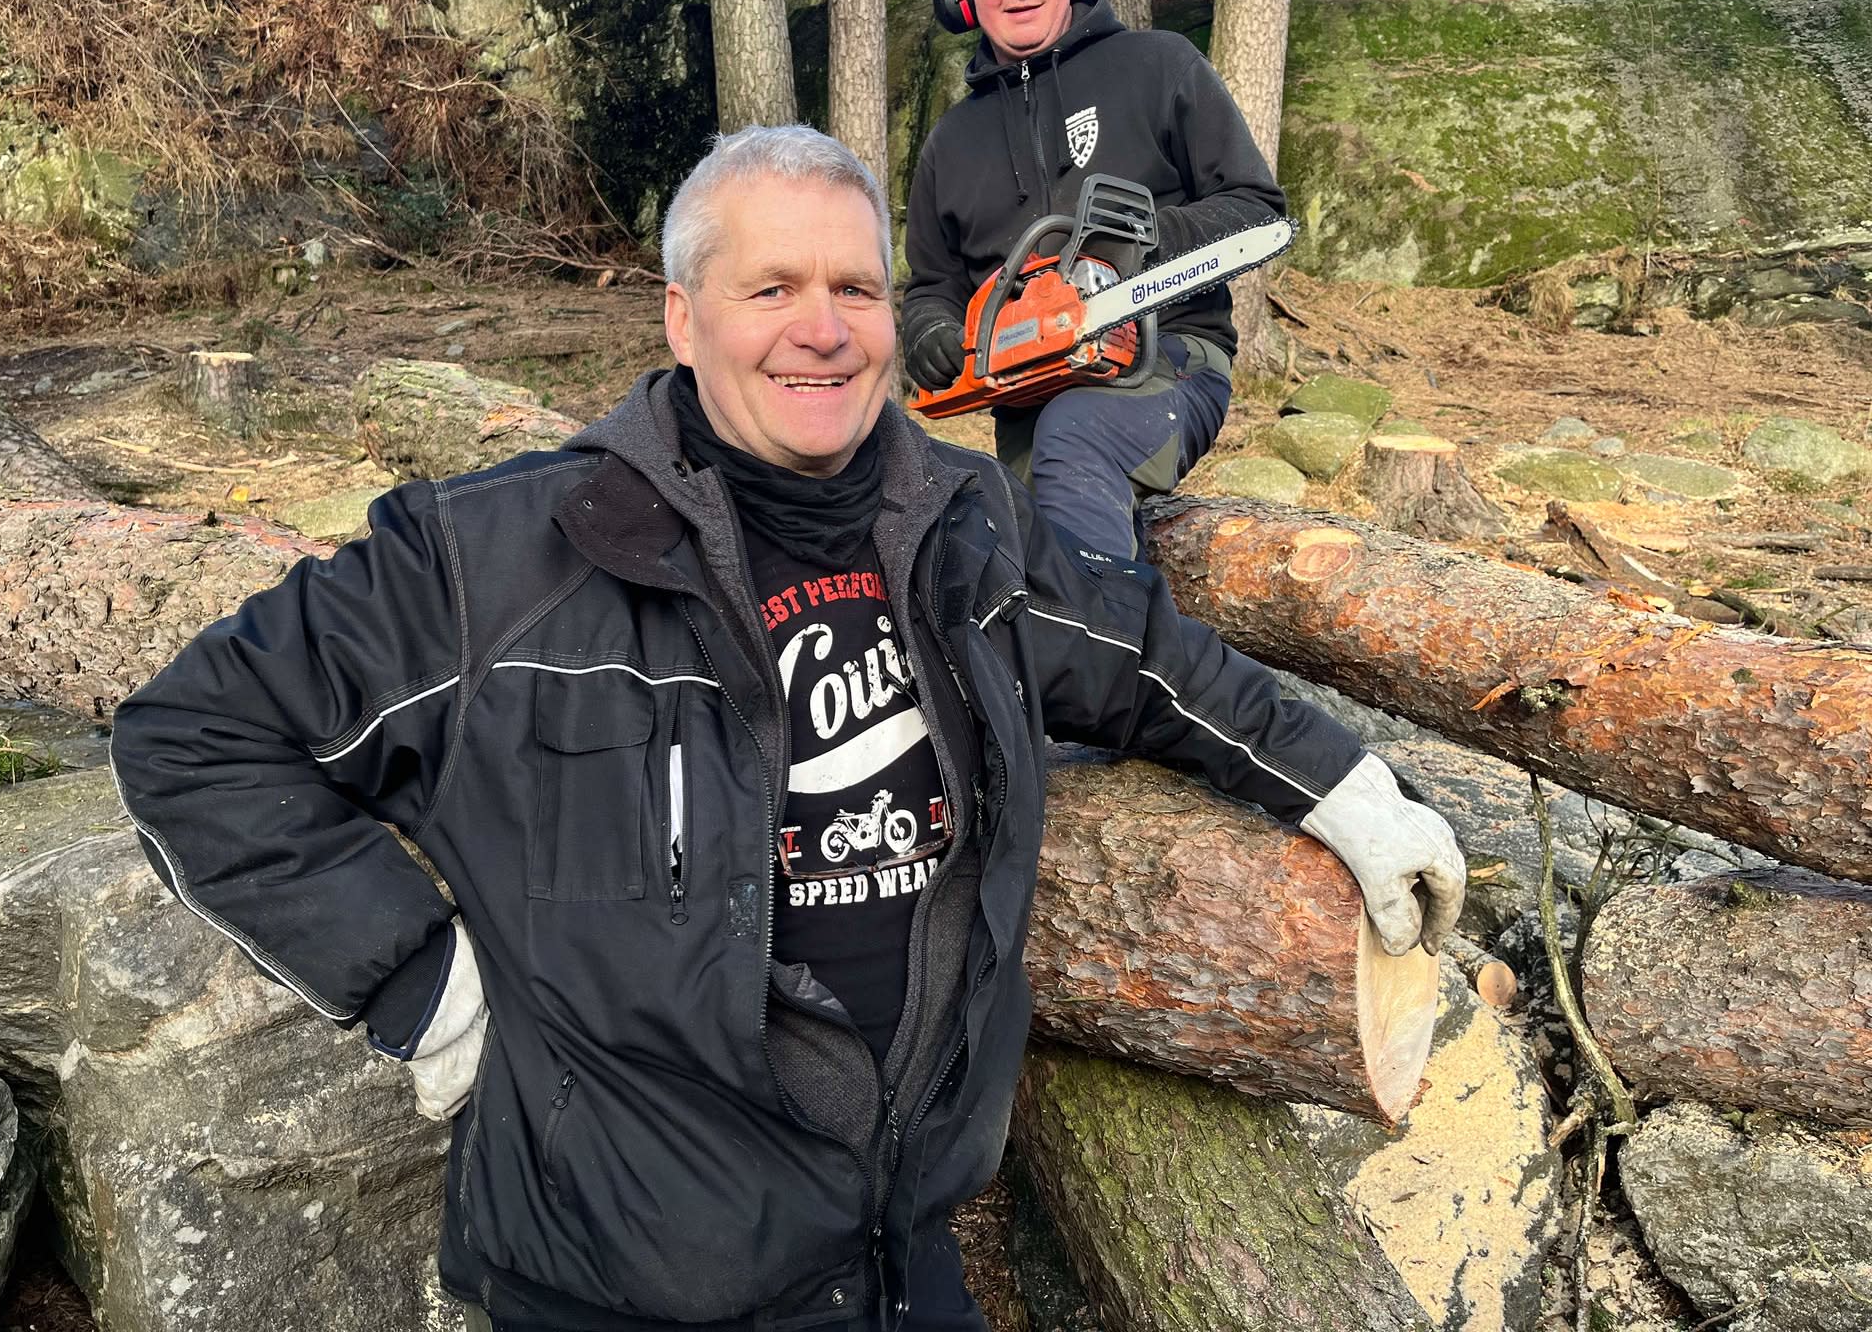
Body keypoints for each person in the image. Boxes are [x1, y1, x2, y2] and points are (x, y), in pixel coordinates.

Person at [110, 126, 1463, 1332]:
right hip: (625, 1274)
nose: (822, 330)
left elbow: (1140, 658)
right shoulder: (497, 561)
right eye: (771, 289)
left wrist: (1345, 788)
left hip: (895, 1249)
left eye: (854, 290)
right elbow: (192, 735)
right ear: (682, 316)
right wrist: (416, 984)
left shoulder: (959, 523)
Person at [903, 0, 1283, 560]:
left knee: (1075, 441)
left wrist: (1149, 243)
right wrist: (930, 329)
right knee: (1015, 545)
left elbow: (1257, 209)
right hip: (1028, 396)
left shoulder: (1158, 65)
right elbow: (932, 285)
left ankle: (1101, 631)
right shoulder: (949, 144)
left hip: (1167, 361)